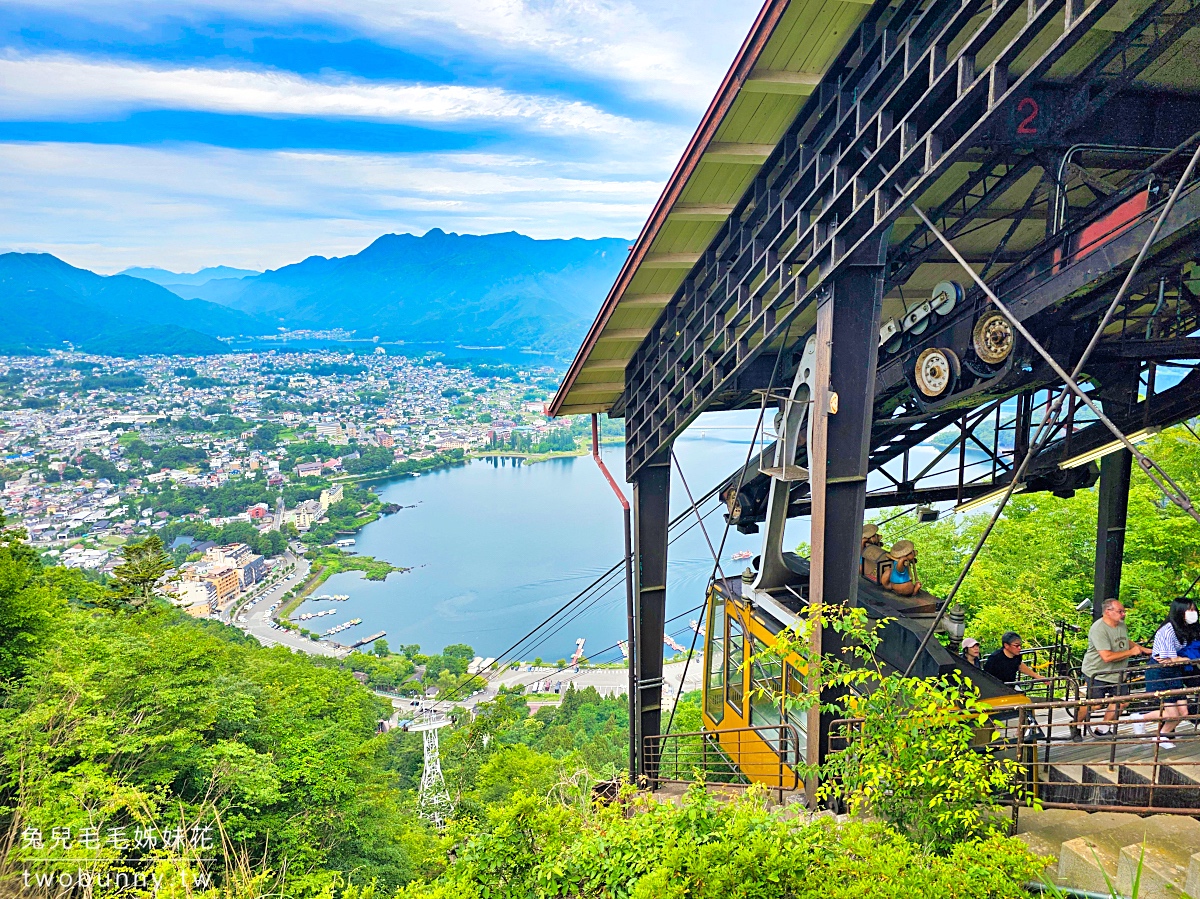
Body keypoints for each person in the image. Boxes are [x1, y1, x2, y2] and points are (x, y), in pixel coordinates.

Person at [1074, 598, 1151, 739]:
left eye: (1124, 611)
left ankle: (1102, 729)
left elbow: (1124, 640)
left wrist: (1141, 648)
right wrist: (1131, 652)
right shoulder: (1099, 629)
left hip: (1117, 673)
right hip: (1097, 672)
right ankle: (1076, 725)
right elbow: (1106, 657)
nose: (1123, 614)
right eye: (1120, 611)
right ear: (1108, 612)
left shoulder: (1121, 626)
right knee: (1095, 704)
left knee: (1122, 702)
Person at [1130, 598, 1200, 748]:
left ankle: (1162, 736)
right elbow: (1168, 660)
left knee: (1184, 711)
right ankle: (1140, 718)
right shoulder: (1167, 630)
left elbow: (1175, 659)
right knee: (1172, 713)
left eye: (1194, 610)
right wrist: (1186, 659)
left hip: (1174, 672)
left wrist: (1181, 659)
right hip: (1160, 673)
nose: (1193, 613)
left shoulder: (1186, 629)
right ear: (1179, 612)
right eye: (1189, 610)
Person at [983, 632, 1049, 685]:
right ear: (1006, 645)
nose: (1019, 648)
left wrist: (1037, 676)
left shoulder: (1017, 656)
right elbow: (986, 676)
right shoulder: (995, 658)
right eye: (1016, 646)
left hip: (1011, 686)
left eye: (1020, 645)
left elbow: (1019, 665)